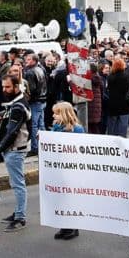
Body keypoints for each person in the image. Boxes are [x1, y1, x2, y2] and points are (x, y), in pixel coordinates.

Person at [0, 74, 31, 232]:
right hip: (13, 149)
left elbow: (12, 133)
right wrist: (1, 115)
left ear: (16, 87)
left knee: (18, 184)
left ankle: (20, 217)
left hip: (15, 150)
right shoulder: (15, 103)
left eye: (7, 87)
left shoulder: (18, 106)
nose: (4, 90)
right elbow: (9, 114)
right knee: (16, 183)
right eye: (3, 87)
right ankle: (17, 213)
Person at [51, 101, 84, 240]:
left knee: (71, 198)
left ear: (64, 114)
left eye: (56, 113)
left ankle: (73, 227)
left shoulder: (77, 129)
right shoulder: (56, 127)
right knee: (61, 198)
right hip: (59, 168)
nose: (53, 116)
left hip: (72, 170)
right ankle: (64, 226)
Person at [105, 57, 129, 137]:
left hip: (112, 103)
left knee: (112, 125)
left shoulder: (110, 77)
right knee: (123, 125)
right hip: (124, 103)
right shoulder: (126, 76)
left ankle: (112, 142)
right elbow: (127, 89)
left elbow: (108, 89)